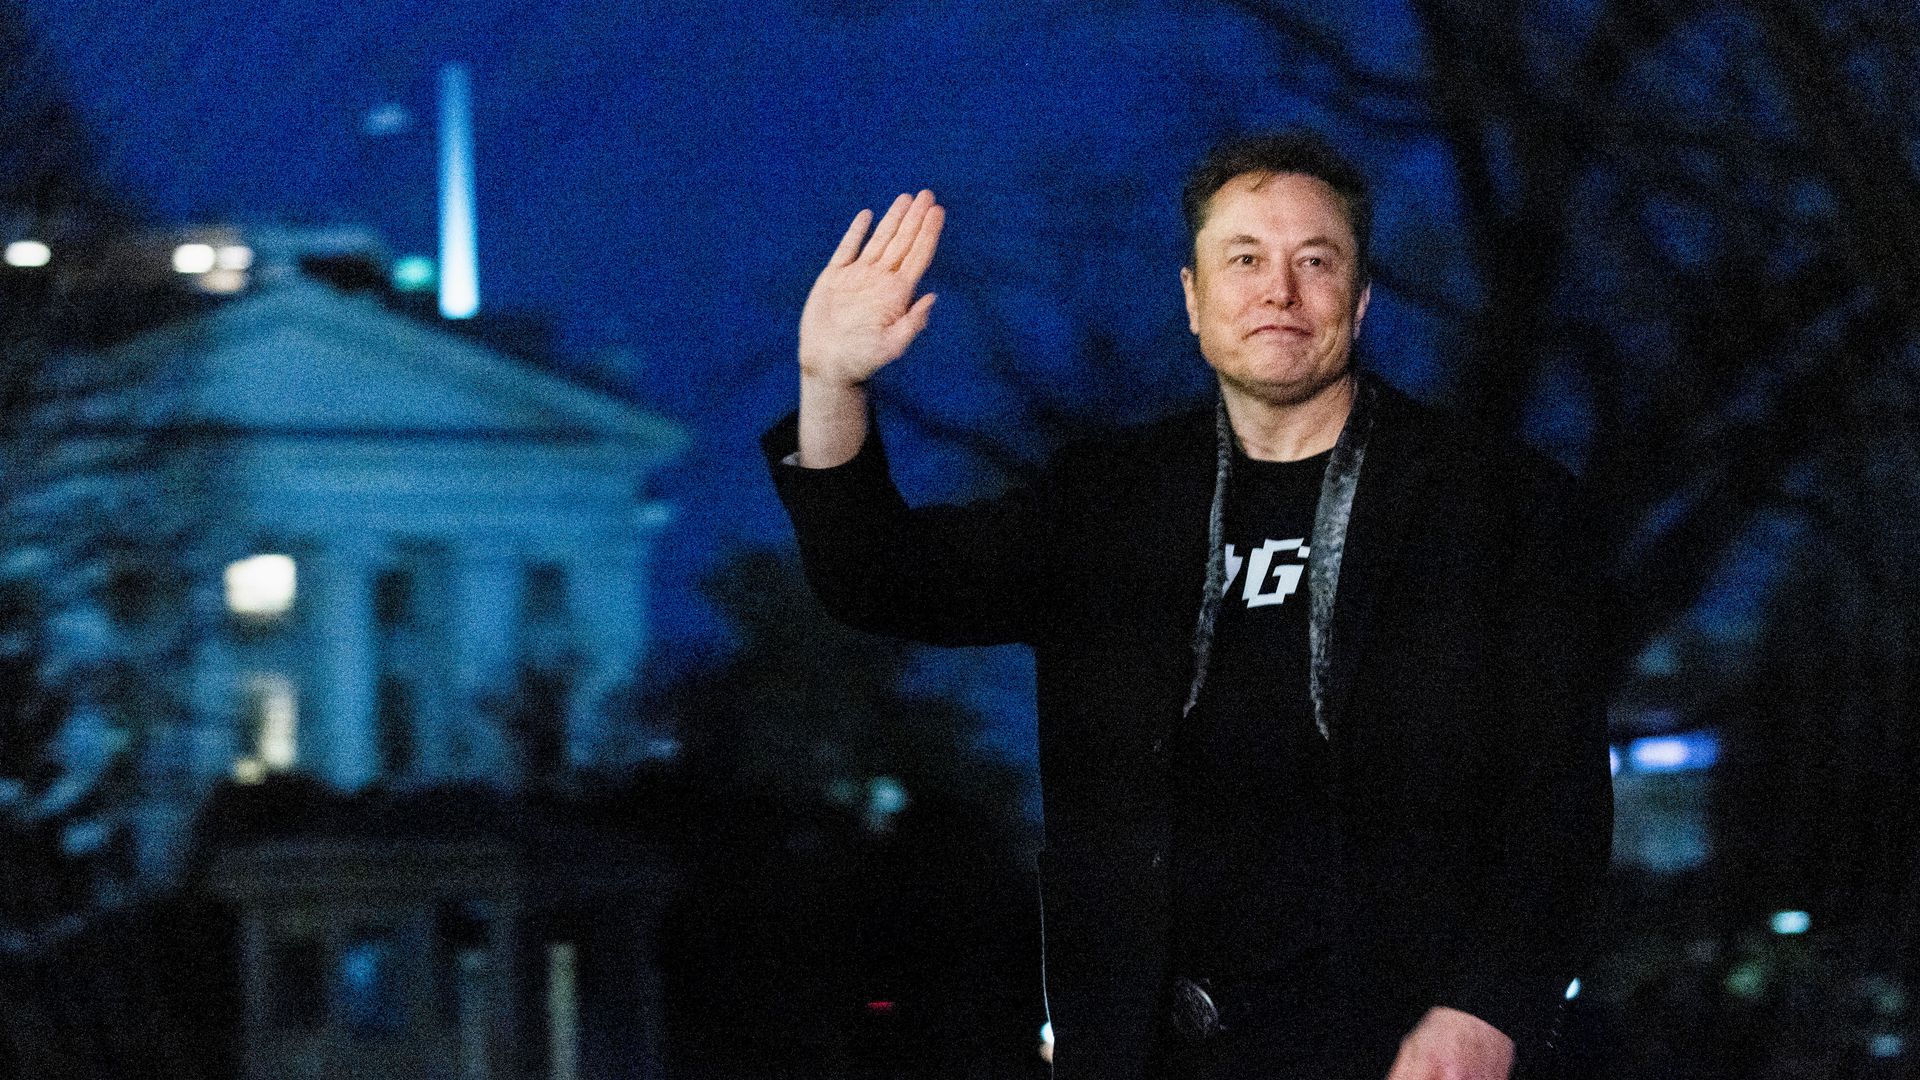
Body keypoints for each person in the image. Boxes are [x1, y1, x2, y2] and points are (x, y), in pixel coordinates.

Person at [763, 132, 1612, 1080]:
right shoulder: (1106, 500)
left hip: (1399, 1050)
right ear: (1193, 301)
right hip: (1144, 1050)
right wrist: (829, 380)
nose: (1279, 291)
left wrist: (1487, 1012)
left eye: (1315, 261)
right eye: (1243, 259)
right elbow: (876, 577)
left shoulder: (1497, 504)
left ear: (1361, 299)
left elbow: (1562, 800)